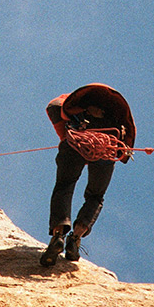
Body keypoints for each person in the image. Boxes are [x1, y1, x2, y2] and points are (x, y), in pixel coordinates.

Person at [41, 83, 136, 267]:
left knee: (64, 185)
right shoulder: (116, 114)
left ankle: (58, 236)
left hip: (77, 141)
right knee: (96, 196)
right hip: (106, 148)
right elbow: (126, 141)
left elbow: (53, 106)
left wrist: (65, 136)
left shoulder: (70, 101)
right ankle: (75, 238)